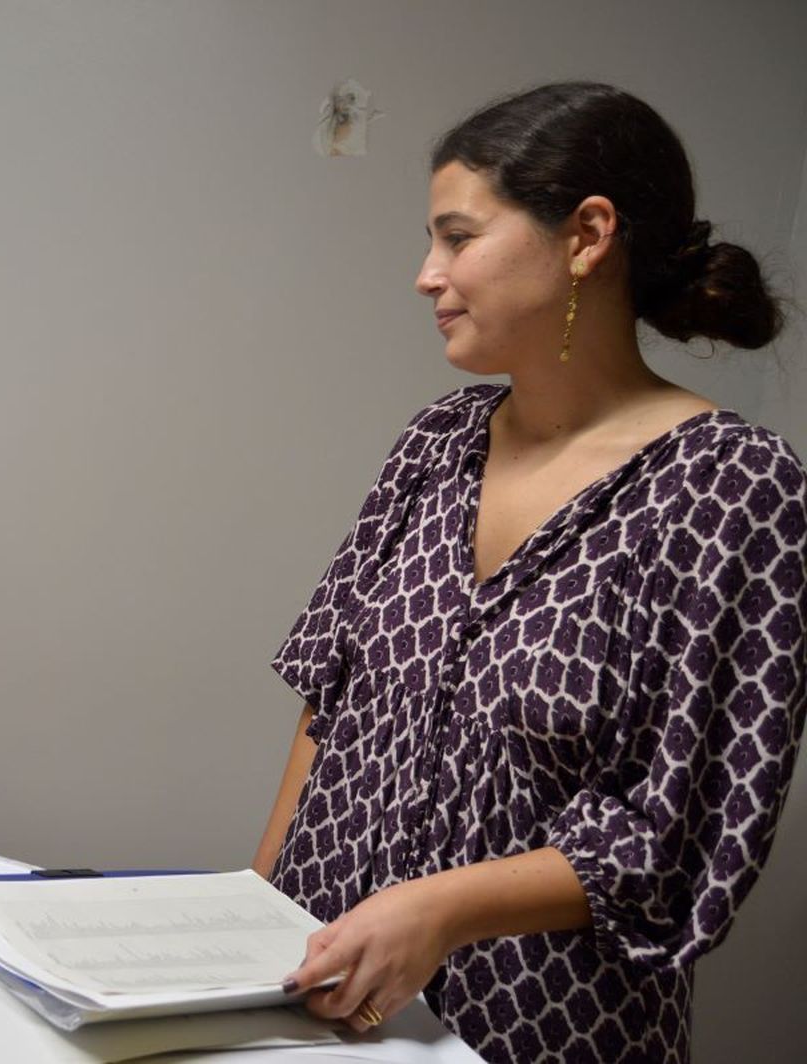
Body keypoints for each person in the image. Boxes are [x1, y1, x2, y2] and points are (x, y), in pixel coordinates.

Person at [251, 83, 805, 1063]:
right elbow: (327, 703)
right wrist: (249, 922)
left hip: (541, 1024)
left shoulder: (735, 490)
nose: (427, 275)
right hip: (318, 1002)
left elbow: (680, 834)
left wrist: (441, 907)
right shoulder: (436, 443)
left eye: (456, 238)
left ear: (587, 234)